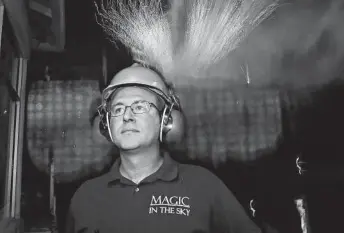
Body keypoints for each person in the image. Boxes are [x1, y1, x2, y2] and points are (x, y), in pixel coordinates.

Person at [65, 63, 261, 233]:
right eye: (118, 109)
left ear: (166, 120)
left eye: (140, 106)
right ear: (106, 124)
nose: (127, 116)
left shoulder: (204, 186)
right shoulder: (85, 198)